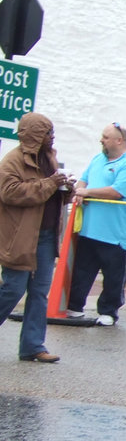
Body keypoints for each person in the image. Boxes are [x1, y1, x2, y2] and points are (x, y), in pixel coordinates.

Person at [0, 113, 73, 362]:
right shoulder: (12, 161)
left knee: (40, 292)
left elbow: (51, 189)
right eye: (47, 132)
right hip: (20, 237)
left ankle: (33, 346)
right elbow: (10, 193)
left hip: (45, 236)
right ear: (34, 135)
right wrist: (50, 184)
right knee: (13, 288)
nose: (52, 137)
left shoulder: (49, 158)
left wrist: (65, 188)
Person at [66, 124, 126, 325]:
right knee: (82, 271)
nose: (101, 140)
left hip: (116, 233)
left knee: (113, 276)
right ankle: (74, 306)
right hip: (90, 229)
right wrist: (80, 190)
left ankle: (109, 311)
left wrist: (88, 192)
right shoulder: (97, 159)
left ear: (119, 140)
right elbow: (82, 181)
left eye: (106, 137)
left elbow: (116, 192)